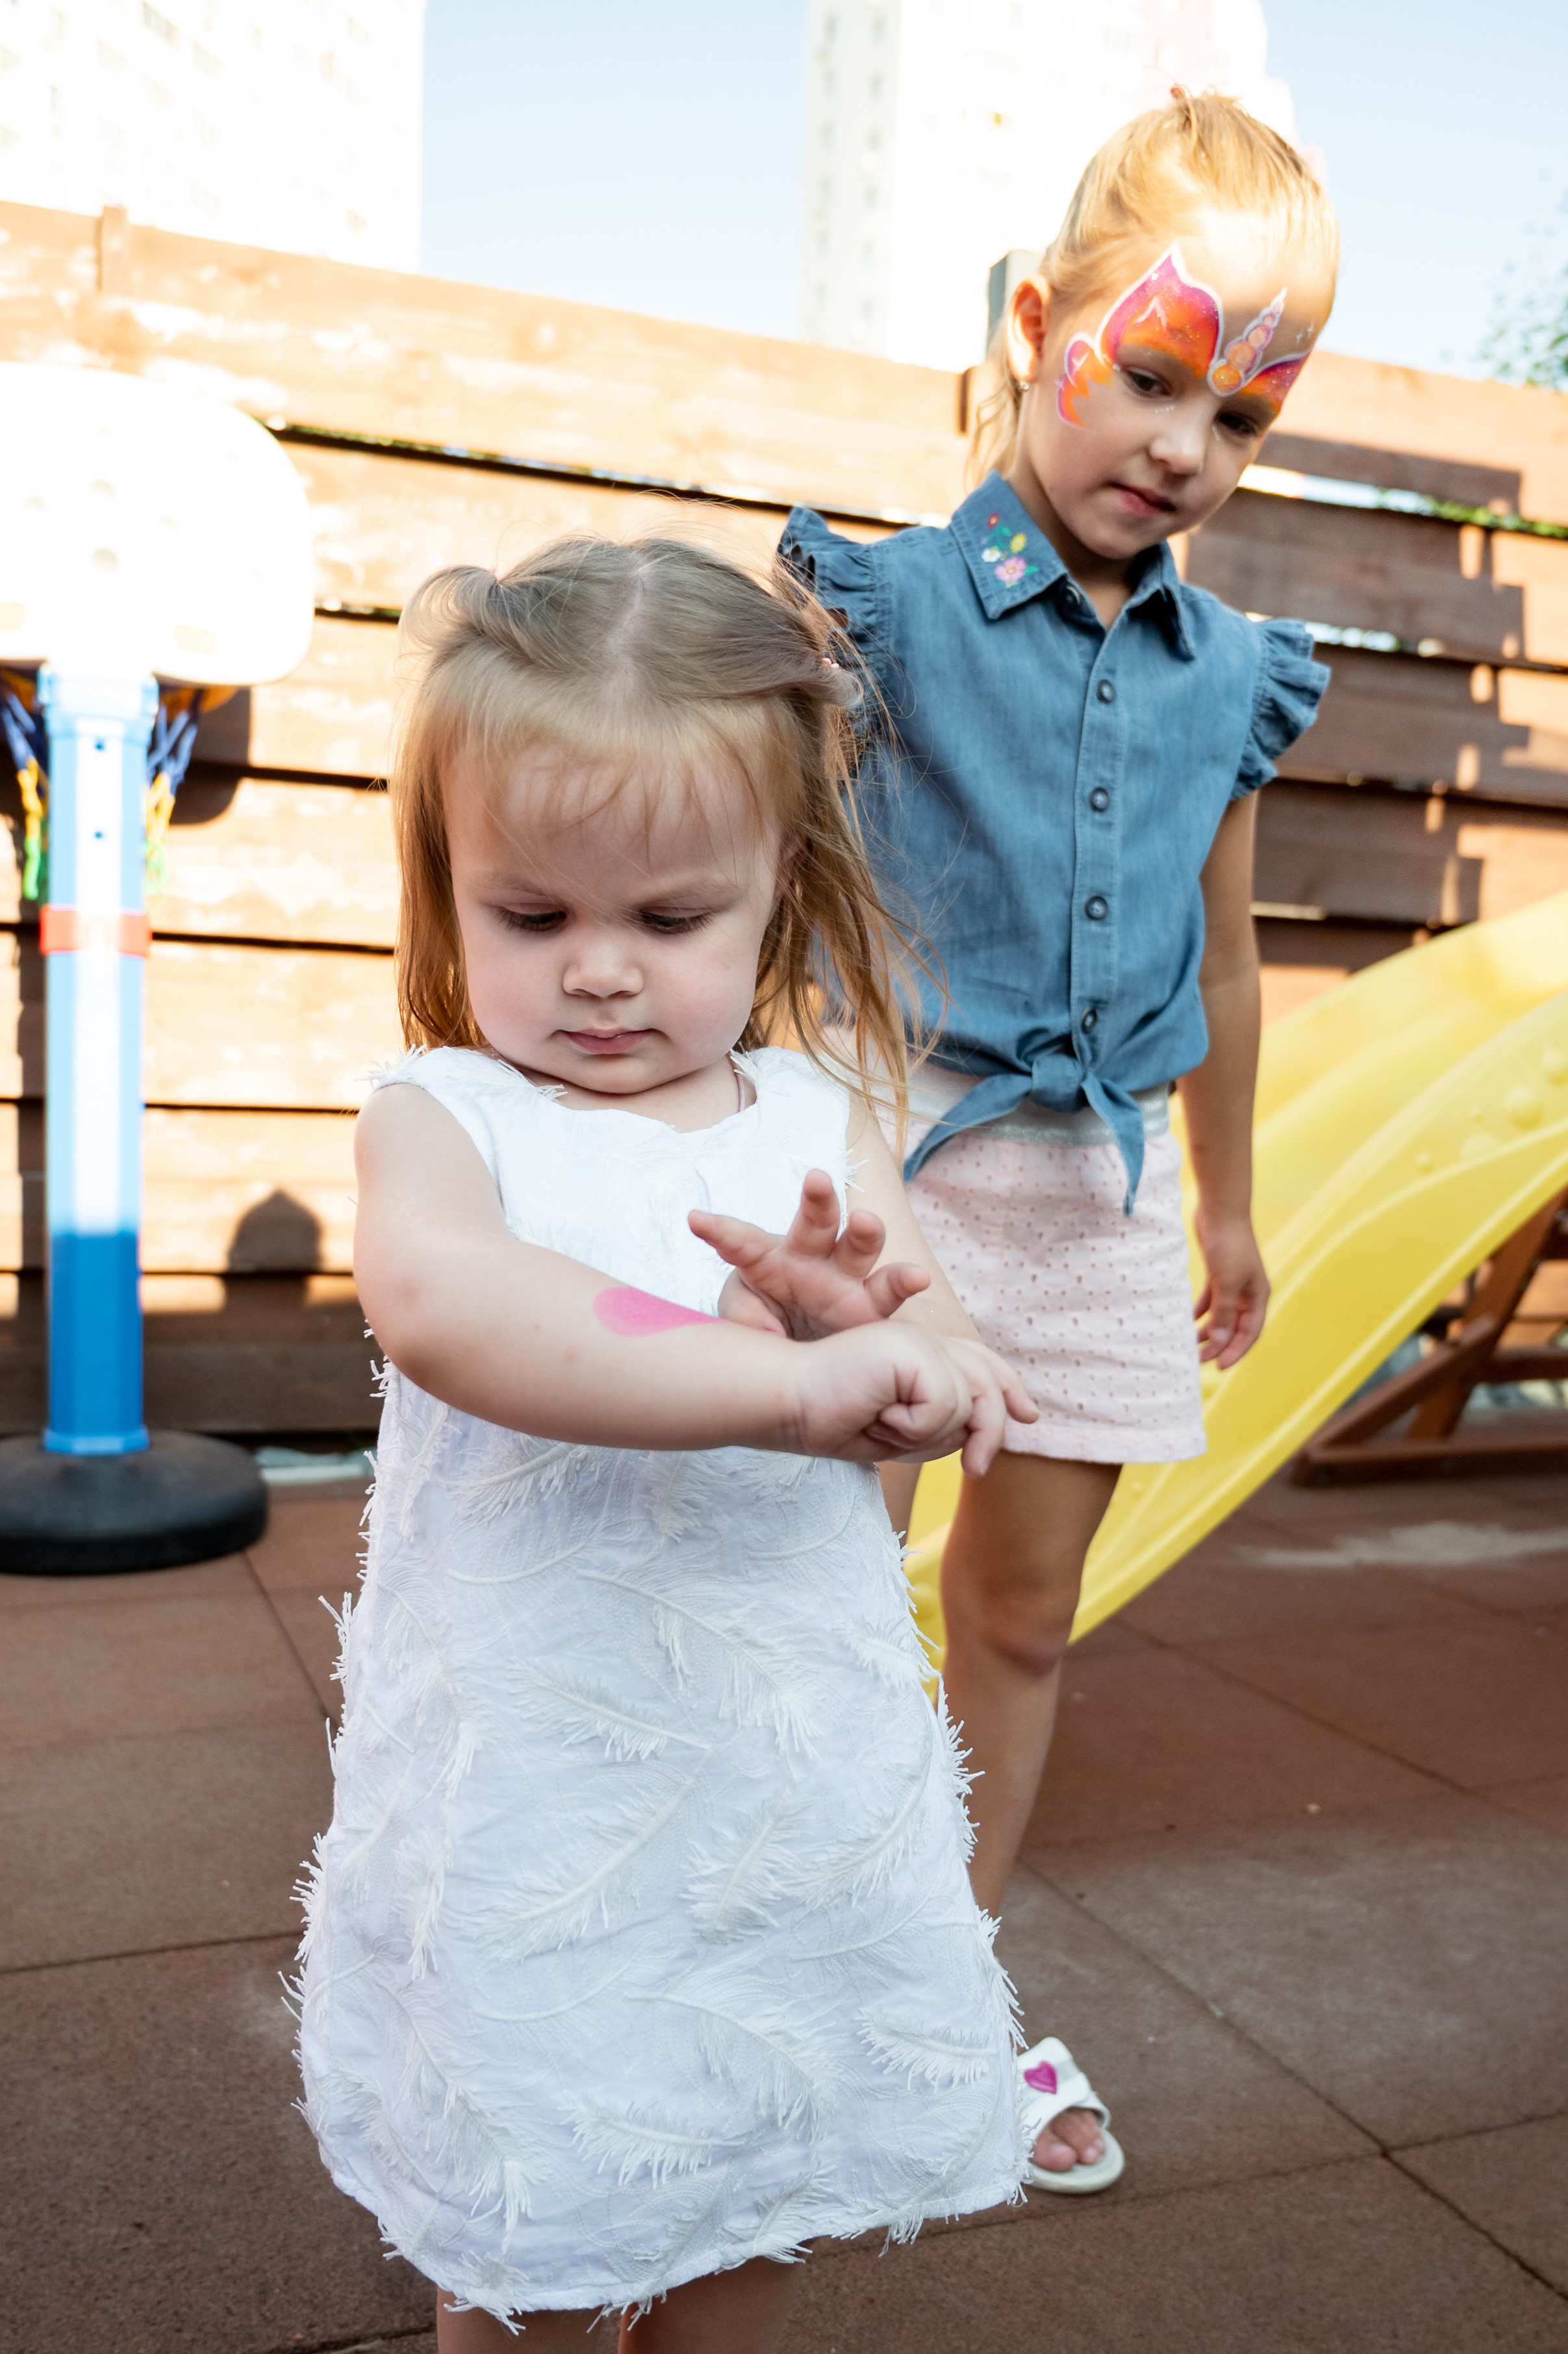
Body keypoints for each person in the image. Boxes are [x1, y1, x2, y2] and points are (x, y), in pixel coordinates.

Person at [294, 538, 1040, 2350]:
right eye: (532, 917)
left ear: (775, 890)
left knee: (757, 2158)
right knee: (536, 2201)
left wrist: (913, 1358)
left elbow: (928, 1327)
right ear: (446, 889)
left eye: (671, 918)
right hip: (554, 1775)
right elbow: (461, 1313)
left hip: (773, 1770)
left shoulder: (813, 1111)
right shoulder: (444, 1117)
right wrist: (783, 1392)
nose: (601, 976)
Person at [778, 90, 1339, 2192]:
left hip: (1092, 1195)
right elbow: (765, 888)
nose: (1190, 442)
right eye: (1160, 371)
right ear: (1043, 325)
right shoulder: (882, 609)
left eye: (1248, 416)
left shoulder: (1238, 683)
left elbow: (1231, 950)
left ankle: (941, 1982)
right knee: (808, 1593)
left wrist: (1228, 1199)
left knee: (1016, 1617)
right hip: (881, 1168)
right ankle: (770, 1972)